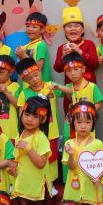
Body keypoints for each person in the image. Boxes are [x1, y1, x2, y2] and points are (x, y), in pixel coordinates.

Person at [10, 96, 54, 205]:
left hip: (37, 189)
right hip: (21, 186)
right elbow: (18, 159)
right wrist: (13, 168)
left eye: (35, 116)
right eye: (27, 114)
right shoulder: (20, 135)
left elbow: (41, 162)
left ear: (43, 119)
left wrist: (28, 148)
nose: (29, 119)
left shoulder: (41, 138)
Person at [15, 57, 63, 192]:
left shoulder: (50, 86)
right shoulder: (24, 93)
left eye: (36, 75)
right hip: (32, 132)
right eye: (29, 78)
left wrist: (58, 87)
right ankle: (37, 182)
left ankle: (50, 183)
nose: (34, 80)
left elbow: (68, 92)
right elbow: (21, 113)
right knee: (34, 155)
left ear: (40, 71)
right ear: (25, 81)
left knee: (51, 157)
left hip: (51, 129)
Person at [53, 2, 100, 84]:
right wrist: (63, 56)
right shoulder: (62, 48)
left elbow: (94, 64)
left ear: (82, 30)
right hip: (70, 86)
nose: (73, 28)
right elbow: (57, 69)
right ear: (64, 30)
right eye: (69, 26)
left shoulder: (89, 44)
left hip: (89, 85)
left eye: (76, 26)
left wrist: (80, 51)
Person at [14, 11, 52, 81]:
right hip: (29, 83)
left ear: (42, 29)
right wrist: (19, 55)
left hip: (41, 84)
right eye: (28, 26)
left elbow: (38, 68)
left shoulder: (41, 45)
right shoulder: (26, 46)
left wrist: (24, 56)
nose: (30, 29)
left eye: (34, 27)